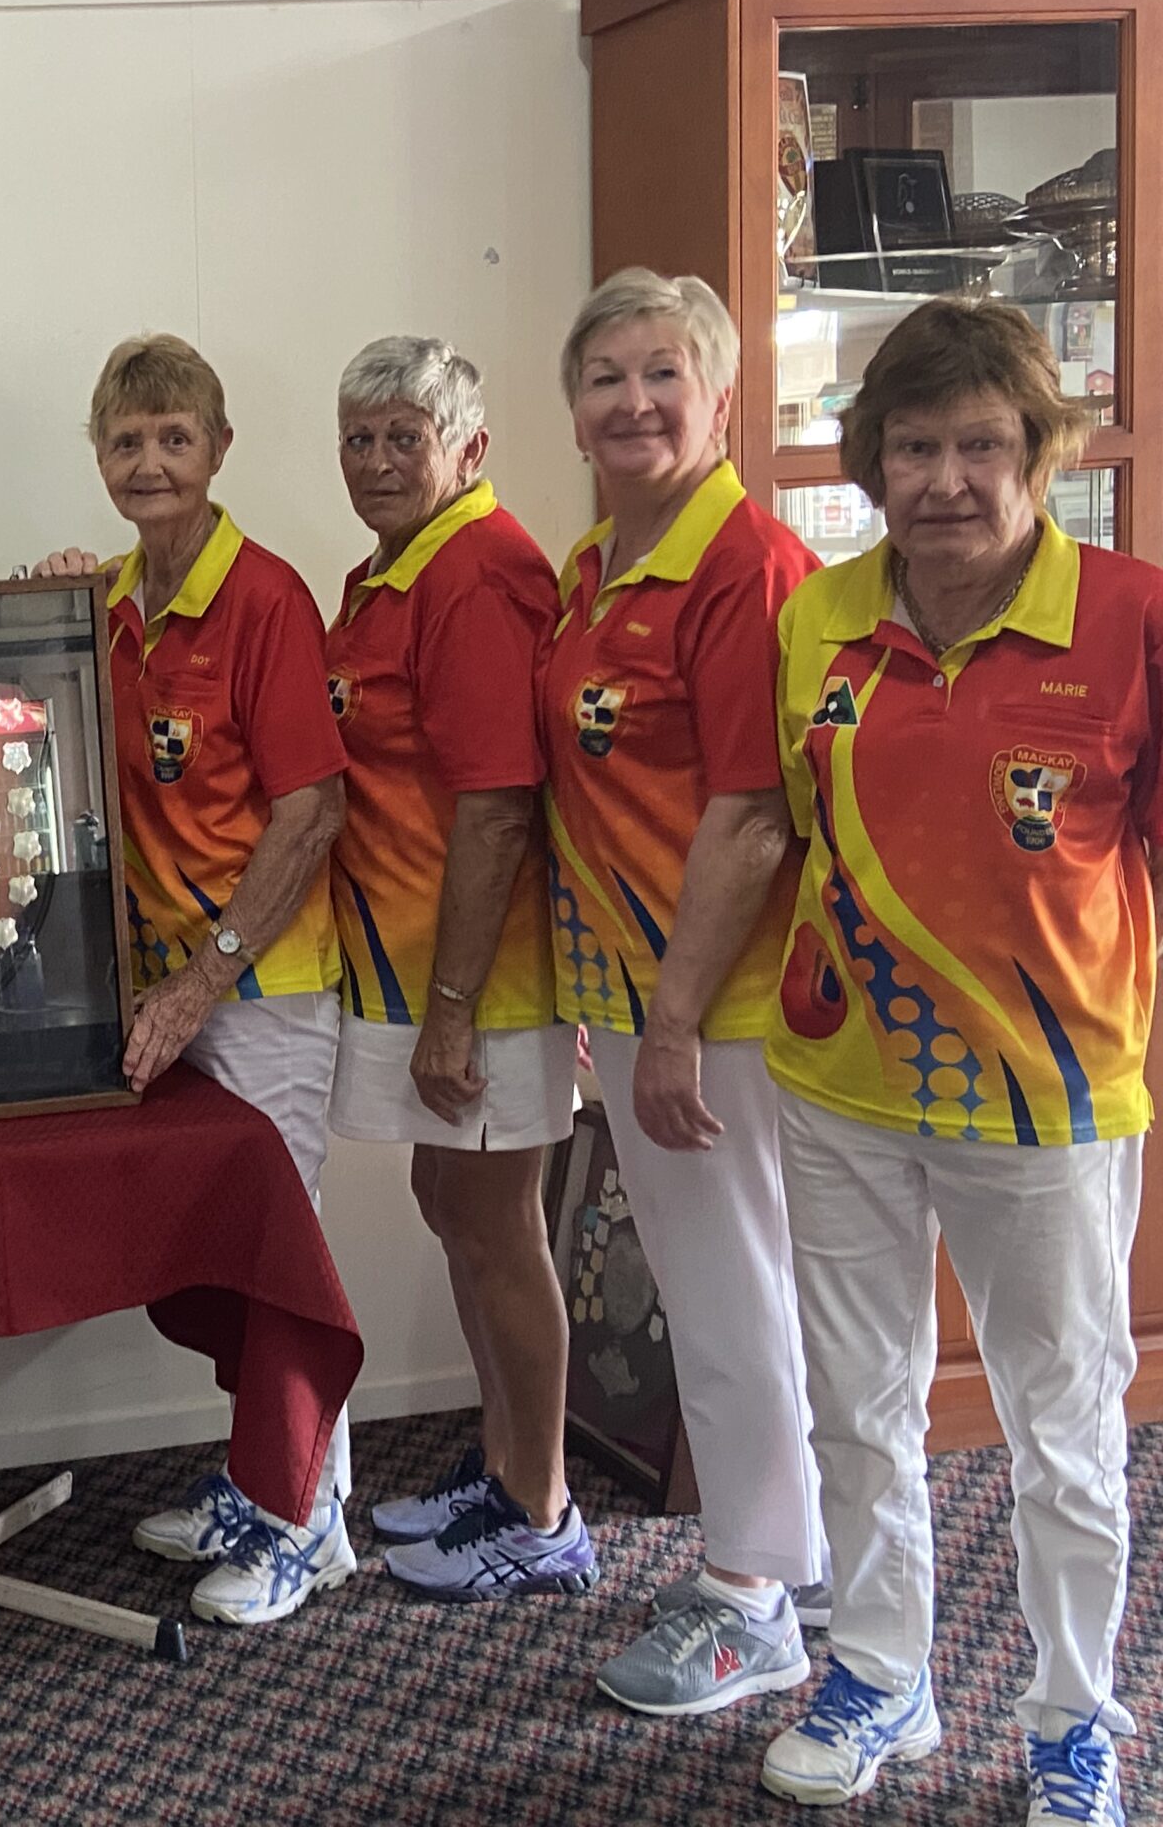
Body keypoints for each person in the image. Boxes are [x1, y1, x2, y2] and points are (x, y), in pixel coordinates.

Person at [756, 296, 1146, 1826]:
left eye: (982, 444)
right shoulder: (820, 616)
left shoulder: (1128, 614)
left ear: (1039, 452)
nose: (945, 481)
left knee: (1065, 1429)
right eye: (914, 446)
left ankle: (1072, 1720)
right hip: (840, 1085)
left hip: (1047, 1104)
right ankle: (881, 1670)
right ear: (869, 464)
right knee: (858, 1403)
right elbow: (780, 822)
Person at [535, 268, 831, 1715]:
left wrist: (666, 1026)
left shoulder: (745, 567)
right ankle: (777, 1555)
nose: (634, 402)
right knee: (727, 1293)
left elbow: (754, 811)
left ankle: (753, 1598)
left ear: (722, 398)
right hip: (646, 1005)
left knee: (730, 1299)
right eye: (606, 377)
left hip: (723, 1018)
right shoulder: (598, 567)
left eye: (665, 374)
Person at [32, 335, 352, 1627]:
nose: (150, 462)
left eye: (175, 438)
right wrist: (41, 604)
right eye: (127, 442)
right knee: (209, 1255)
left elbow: (312, 810)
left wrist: (209, 978)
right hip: (164, 983)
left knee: (284, 1263)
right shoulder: (111, 600)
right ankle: (266, 1480)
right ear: (100, 459)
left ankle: (302, 1523)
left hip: (259, 987)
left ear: (220, 450)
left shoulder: (266, 598)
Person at [310, 337, 590, 1604]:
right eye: (358, 439)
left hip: (483, 979)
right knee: (455, 1209)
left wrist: (455, 1011)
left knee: (495, 1228)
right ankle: (502, 1468)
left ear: (466, 449)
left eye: (402, 438)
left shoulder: (474, 576)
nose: (375, 462)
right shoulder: (394, 572)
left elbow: (495, 807)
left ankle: (541, 1510)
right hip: (416, 964)